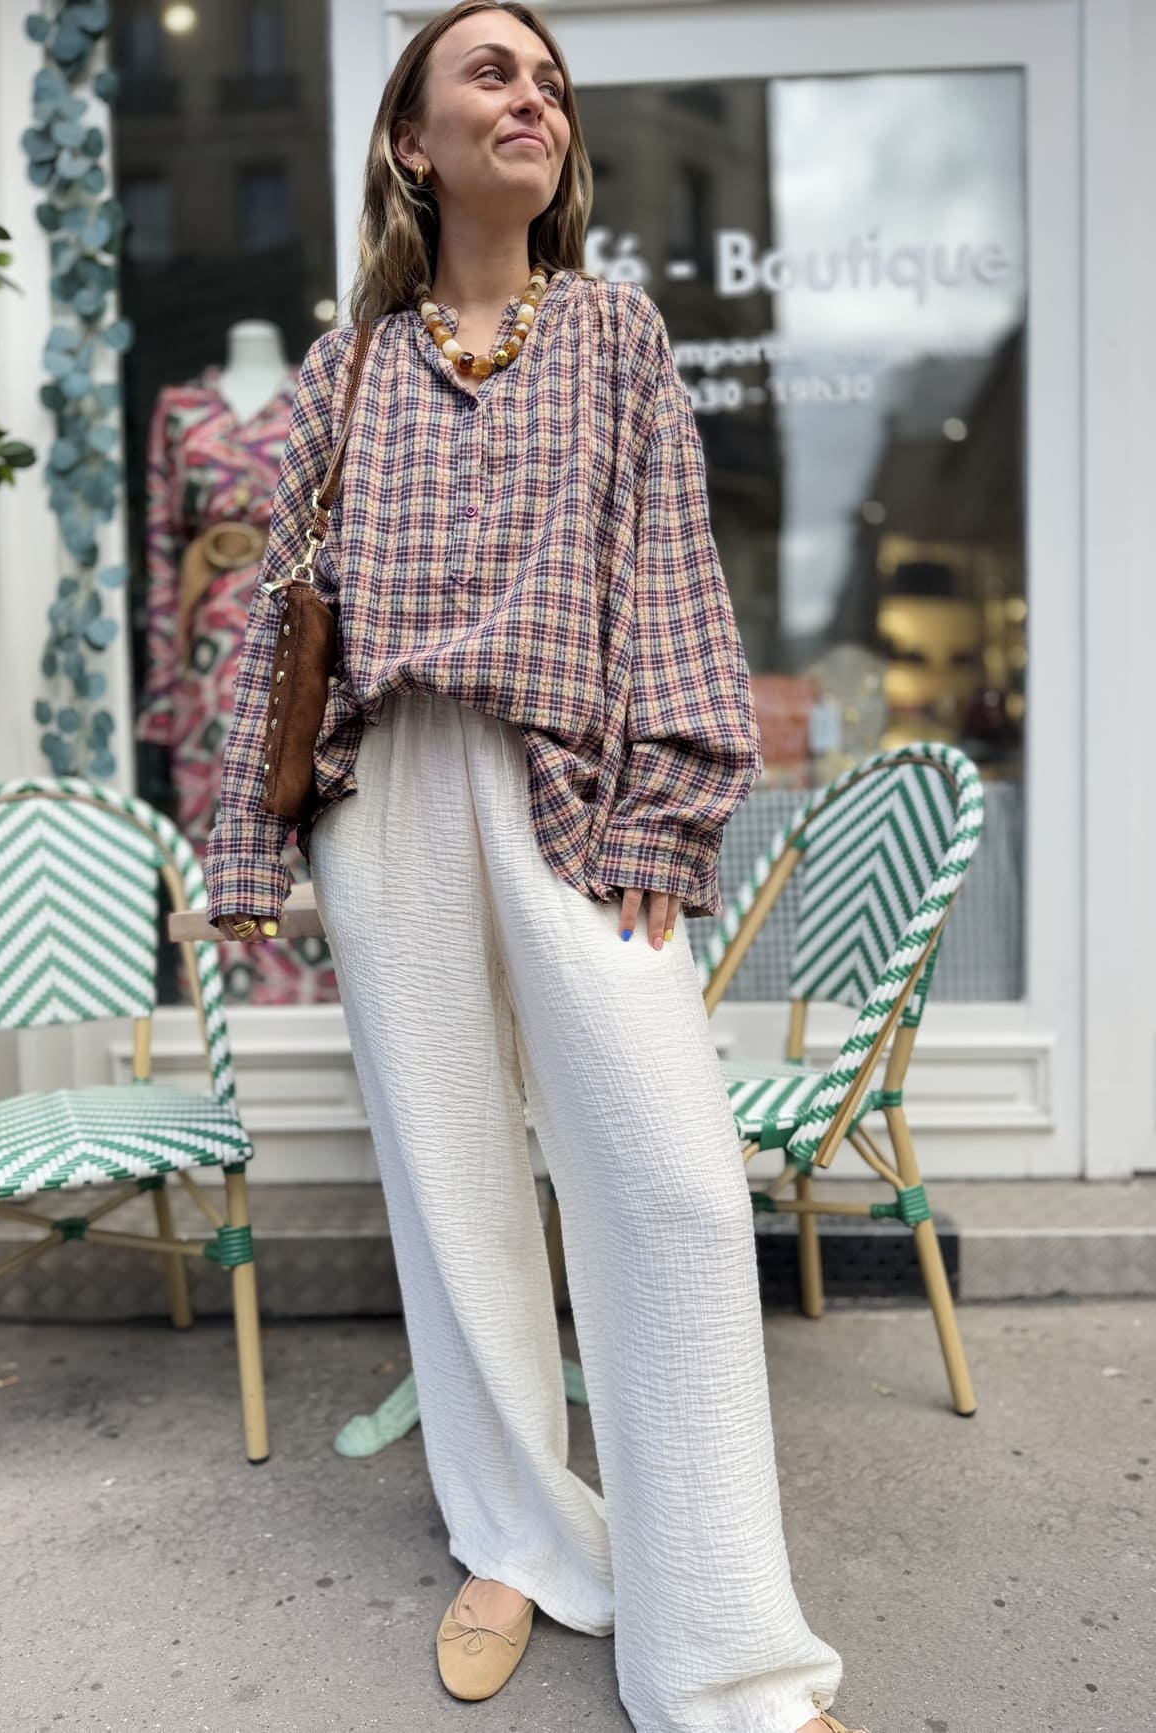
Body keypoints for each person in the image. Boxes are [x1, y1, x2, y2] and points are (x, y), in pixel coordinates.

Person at [203, 5, 868, 1731]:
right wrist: (250, 848)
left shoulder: (620, 339)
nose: (535, 95)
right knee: (452, 1192)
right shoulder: (347, 372)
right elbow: (275, 621)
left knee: (671, 1187)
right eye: (491, 72)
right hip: (388, 793)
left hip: (568, 779)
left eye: (550, 79)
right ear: (412, 141)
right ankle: (513, 1534)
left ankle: (725, 1647)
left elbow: (673, 589)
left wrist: (670, 803)